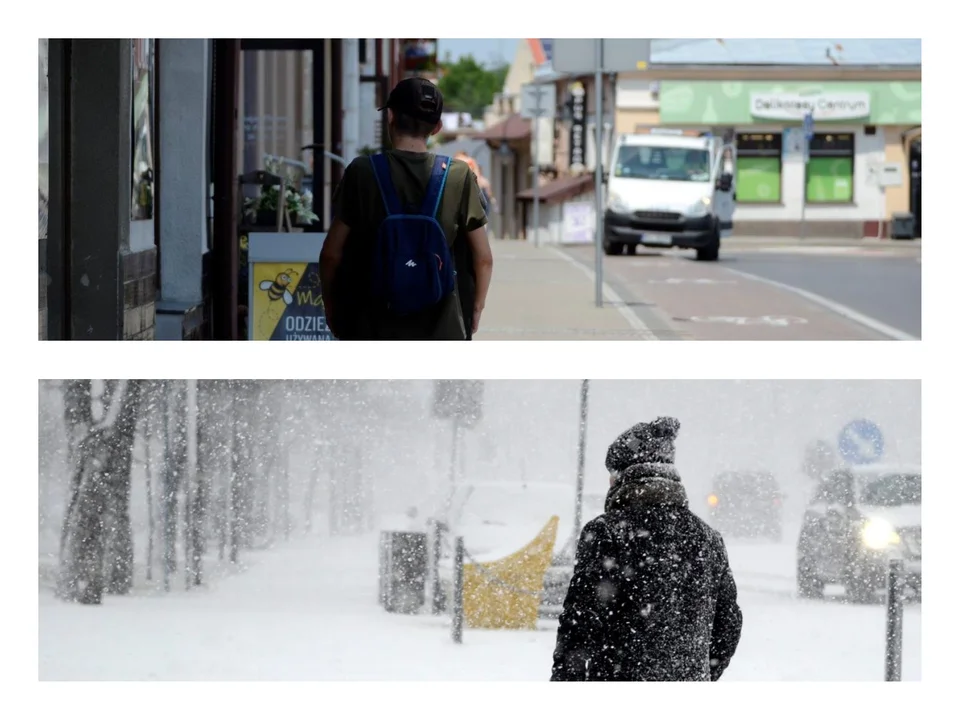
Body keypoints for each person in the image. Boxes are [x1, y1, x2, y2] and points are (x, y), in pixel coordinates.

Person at [551, 416, 742, 682]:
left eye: (611, 474)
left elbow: (579, 626)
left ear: (622, 475)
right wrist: (698, 673)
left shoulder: (607, 533)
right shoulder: (707, 538)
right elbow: (728, 625)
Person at [320, 77, 493, 340]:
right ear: (437, 127)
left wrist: (332, 307)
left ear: (390, 116)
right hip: (440, 328)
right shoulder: (458, 176)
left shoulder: (362, 172)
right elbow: (483, 258)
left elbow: (332, 254)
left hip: (371, 327)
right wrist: (475, 308)